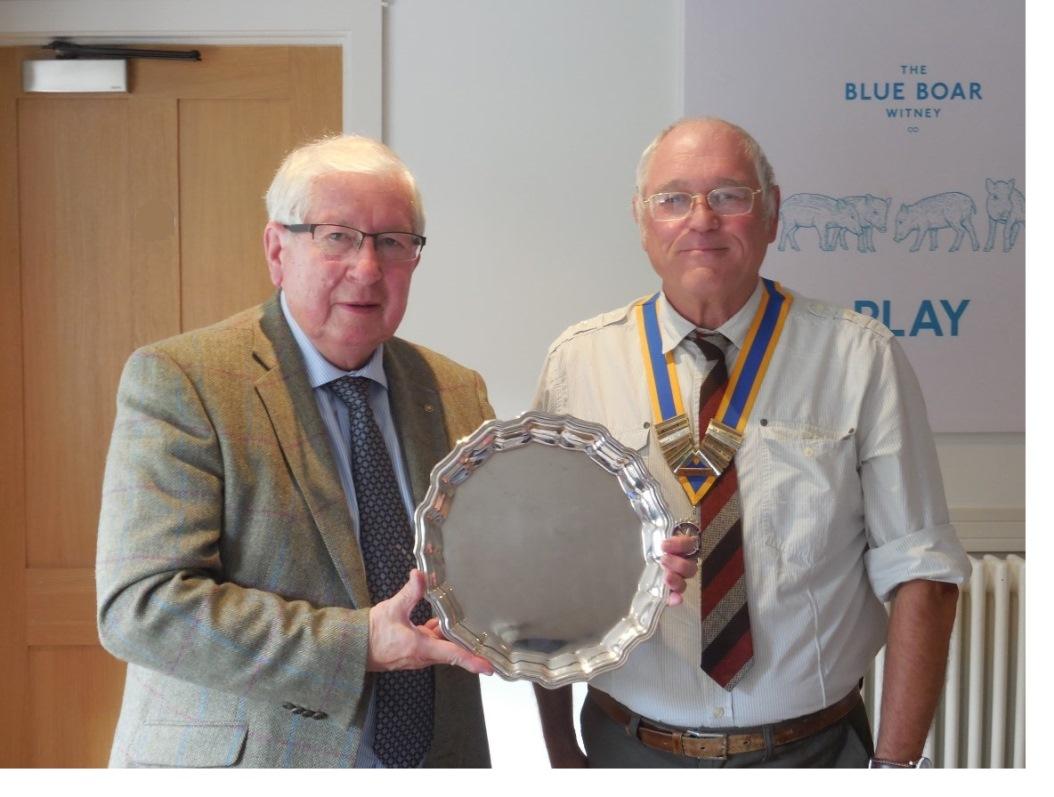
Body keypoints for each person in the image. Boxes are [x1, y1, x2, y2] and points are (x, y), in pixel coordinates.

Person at [532, 117, 971, 768]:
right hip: (628, 747)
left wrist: (897, 767)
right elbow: (546, 572)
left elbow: (923, 573)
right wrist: (562, 750)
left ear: (772, 215)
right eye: (674, 198)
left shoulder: (859, 356)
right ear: (642, 218)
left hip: (816, 753)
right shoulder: (578, 364)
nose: (701, 218)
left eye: (729, 196)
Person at [95, 135, 499, 768]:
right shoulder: (183, 379)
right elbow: (142, 607)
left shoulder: (456, 390)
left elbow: (494, 562)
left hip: (436, 757)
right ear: (277, 251)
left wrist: (615, 571)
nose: (368, 268)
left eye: (392, 241)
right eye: (336, 236)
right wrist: (356, 644)